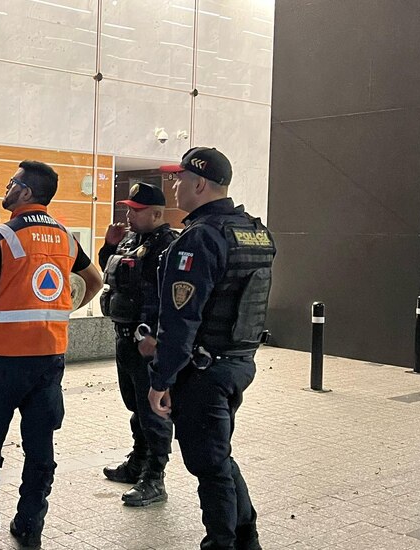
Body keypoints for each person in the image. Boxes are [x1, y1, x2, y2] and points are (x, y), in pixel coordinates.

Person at [0, 160, 104, 549]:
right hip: (48, 360)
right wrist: (63, 309)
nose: (7, 188)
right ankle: (30, 525)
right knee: (40, 447)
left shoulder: (3, 236)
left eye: (12, 183)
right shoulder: (66, 237)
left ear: (27, 192)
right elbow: (96, 280)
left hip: (2, 361)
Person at [140, 147, 275, 550]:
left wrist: (160, 380)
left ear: (199, 183)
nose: (175, 186)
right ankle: (246, 537)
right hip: (238, 363)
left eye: (180, 179)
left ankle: (223, 542)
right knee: (218, 455)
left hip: (203, 371)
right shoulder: (255, 232)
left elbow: (183, 320)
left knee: (208, 464)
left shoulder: (199, 238)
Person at [98, 182, 178, 507]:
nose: (128, 215)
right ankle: (138, 462)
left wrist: (156, 337)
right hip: (125, 336)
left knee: (153, 410)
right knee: (136, 406)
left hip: (149, 342)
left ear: (157, 213)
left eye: (136, 210)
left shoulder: (169, 245)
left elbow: (172, 299)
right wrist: (108, 246)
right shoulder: (132, 240)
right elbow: (112, 274)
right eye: (128, 208)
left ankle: (155, 478)